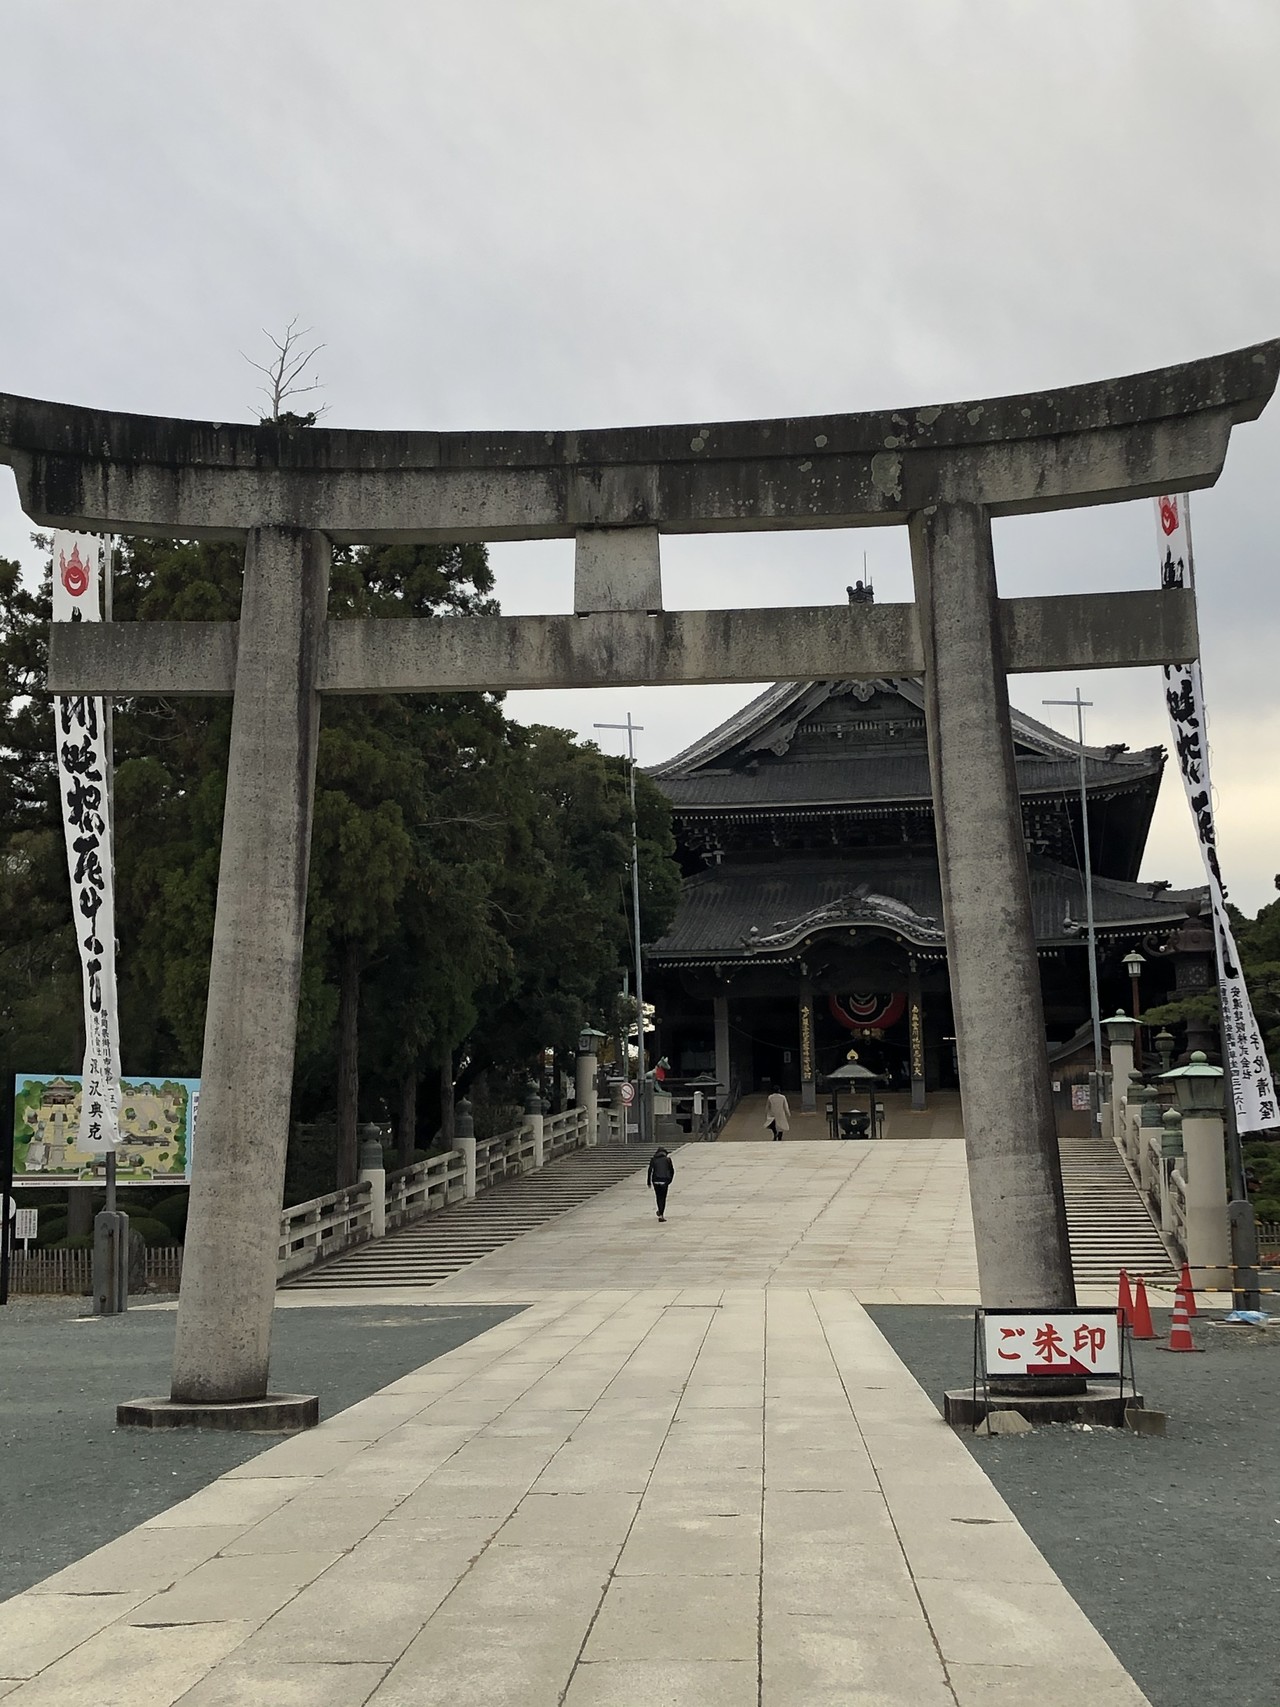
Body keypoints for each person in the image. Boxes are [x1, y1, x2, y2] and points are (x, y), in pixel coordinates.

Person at [647, 1145, 675, 1221]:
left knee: (658, 1197)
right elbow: (672, 1171)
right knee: (663, 1198)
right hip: (664, 1181)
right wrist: (669, 1180)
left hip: (656, 1181)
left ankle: (660, 1211)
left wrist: (648, 1182)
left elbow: (650, 1170)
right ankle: (661, 1214)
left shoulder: (653, 1160)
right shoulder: (668, 1160)